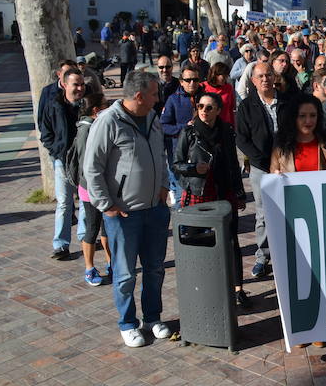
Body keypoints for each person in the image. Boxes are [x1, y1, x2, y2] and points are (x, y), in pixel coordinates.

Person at [83, 71, 171, 348]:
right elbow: (92, 167)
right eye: (155, 94)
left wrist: (165, 185)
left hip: (155, 209)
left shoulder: (153, 118)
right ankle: (128, 323)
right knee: (124, 273)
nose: (159, 99)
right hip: (124, 213)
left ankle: (152, 318)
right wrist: (105, 203)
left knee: (155, 268)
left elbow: (161, 155)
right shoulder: (108, 121)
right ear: (139, 96)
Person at [269, 93, 326, 350]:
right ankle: (300, 327)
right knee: (298, 277)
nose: (308, 120)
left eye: (313, 115)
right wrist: (275, 177)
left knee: (322, 275)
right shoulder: (282, 146)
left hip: (322, 219)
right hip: (293, 221)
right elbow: (271, 180)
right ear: (293, 118)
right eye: (303, 116)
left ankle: (322, 326)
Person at [173, 91, 251, 307]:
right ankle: (204, 290)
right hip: (199, 192)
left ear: (218, 110)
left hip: (224, 191)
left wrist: (239, 192)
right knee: (200, 242)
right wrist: (193, 168)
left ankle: (238, 289)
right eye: (200, 106)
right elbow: (176, 164)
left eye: (209, 107)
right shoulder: (189, 132)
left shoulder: (226, 130)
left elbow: (233, 164)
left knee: (231, 241)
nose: (204, 111)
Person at [235, 62, 285, 278]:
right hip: (261, 167)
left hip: (287, 166)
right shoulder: (247, 106)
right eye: (260, 76)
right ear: (253, 80)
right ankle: (262, 256)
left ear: (274, 77)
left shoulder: (286, 102)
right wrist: (263, 161)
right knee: (263, 214)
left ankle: (287, 255)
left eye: (268, 75)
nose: (265, 79)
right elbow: (242, 139)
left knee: (289, 212)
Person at [40, 68, 86, 259]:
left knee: (85, 201)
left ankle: (86, 238)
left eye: (82, 84)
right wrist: (57, 152)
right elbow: (46, 133)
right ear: (65, 84)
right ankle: (61, 244)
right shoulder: (54, 104)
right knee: (65, 203)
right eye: (76, 84)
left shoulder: (88, 104)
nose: (80, 88)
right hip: (62, 160)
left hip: (85, 161)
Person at [73, 93, 113, 286]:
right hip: (90, 190)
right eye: (106, 105)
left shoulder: (97, 126)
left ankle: (111, 262)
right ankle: (89, 268)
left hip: (104, 188)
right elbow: (86, 165)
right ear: (96, 110)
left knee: (107, 228)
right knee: (92, 228)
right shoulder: (85, 131)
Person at [161, 66, 202, 206]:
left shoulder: (205, 97)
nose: (192, 83)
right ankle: (182, 227)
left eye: (195, 79)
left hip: (201, 155)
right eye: (188, 80)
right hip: (180, 154)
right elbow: (163, 126)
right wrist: (184, 128)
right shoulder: (173, 100)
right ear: (181, 82)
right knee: (182, 196)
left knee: (201, 196)